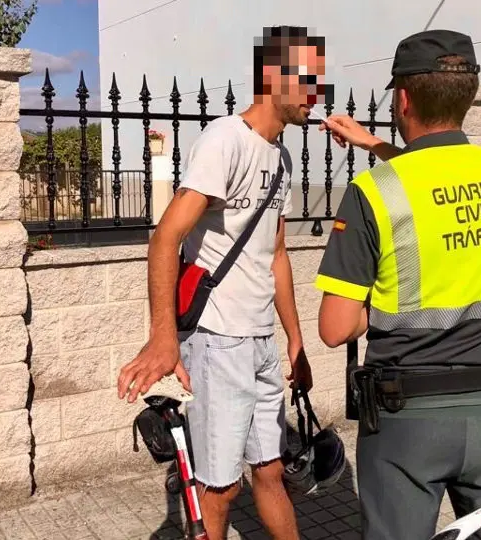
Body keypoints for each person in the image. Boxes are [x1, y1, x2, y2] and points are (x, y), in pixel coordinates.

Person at [315, 30, 481, 540]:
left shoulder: (372, 192)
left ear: (402, 99)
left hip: (408, 418)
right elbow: (443, 181)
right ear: (466, 96)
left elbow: (335, 328)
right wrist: (373, 143)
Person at [116, 25, 328, 540]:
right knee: (220, 487)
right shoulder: (223, 141)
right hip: (217, 339)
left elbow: (275, 253)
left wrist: (295, 339)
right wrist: (164, 337)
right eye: (309, 81)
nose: (316, 97)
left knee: (272, 473)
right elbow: (165, 237)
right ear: (273, 76)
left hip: (258, 342)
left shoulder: (279, 158)